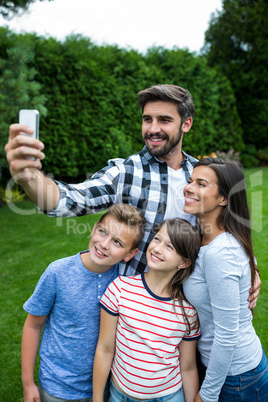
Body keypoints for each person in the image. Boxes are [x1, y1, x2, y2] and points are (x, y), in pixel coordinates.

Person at [5, 84, 261, 297]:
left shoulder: (200, 175)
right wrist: (29, 177)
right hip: (134, 311)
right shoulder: (126, 172)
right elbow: (70, 200)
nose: (152, 129)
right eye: (147, 119)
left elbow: (226, 227)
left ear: (186, 124)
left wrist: (250, 267)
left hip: (191, 305)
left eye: (164, 120)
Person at [21, 203, 146, 402]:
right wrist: (28, 384)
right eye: (103, 232)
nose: (104, 244)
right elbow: (32, 326)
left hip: (104, 386)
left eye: (117, 243)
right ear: (94, 227)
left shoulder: (124, 283)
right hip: (56, 388)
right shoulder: (57, 272)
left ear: (130, 254)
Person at [182, 158, 268, 402]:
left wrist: (206, 395)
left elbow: (227, 334)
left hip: (237, 377)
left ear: (224, 199)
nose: (189, 187)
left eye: (201, 184)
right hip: (223, 368)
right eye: (190, 181)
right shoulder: (206, 236)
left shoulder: (221, 252)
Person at [93, 218, 201, 402]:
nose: (157, 249)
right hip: (120, 396)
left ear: (183, 263)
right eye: (157, 239)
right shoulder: (120, 289)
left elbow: (188, 366)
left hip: (169, 397)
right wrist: (97, 399)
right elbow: (105, 348)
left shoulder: (187, 312)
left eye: (170, 247)